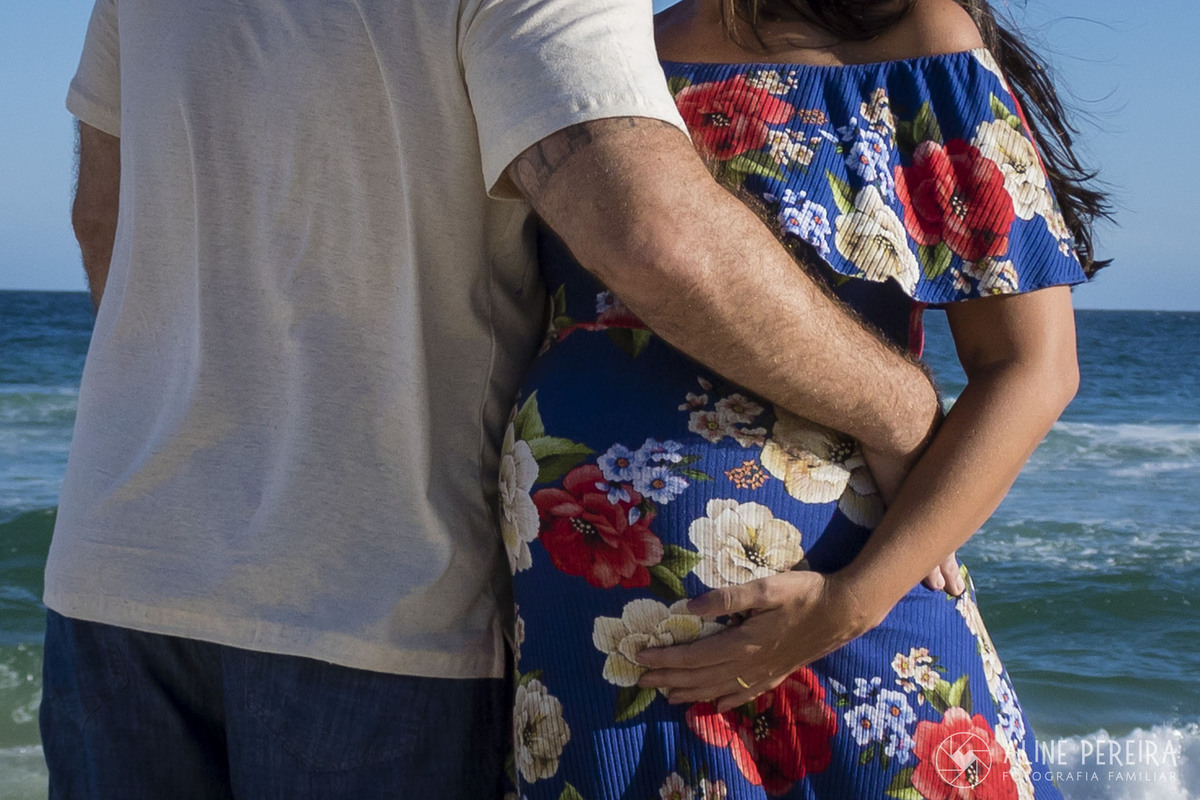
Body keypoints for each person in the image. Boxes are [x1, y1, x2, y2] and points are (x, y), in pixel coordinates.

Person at [42, 0, 946, 796]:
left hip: (117, 564)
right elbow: (652, 237)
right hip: (373, 596)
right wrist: (904, 414)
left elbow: (104, 218)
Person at [502, 0, 1107, 797]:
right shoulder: (603, 48)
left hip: (837, 601)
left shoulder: (917, 41)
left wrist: (849, 604)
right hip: (595, 622)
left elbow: (1035, 367)